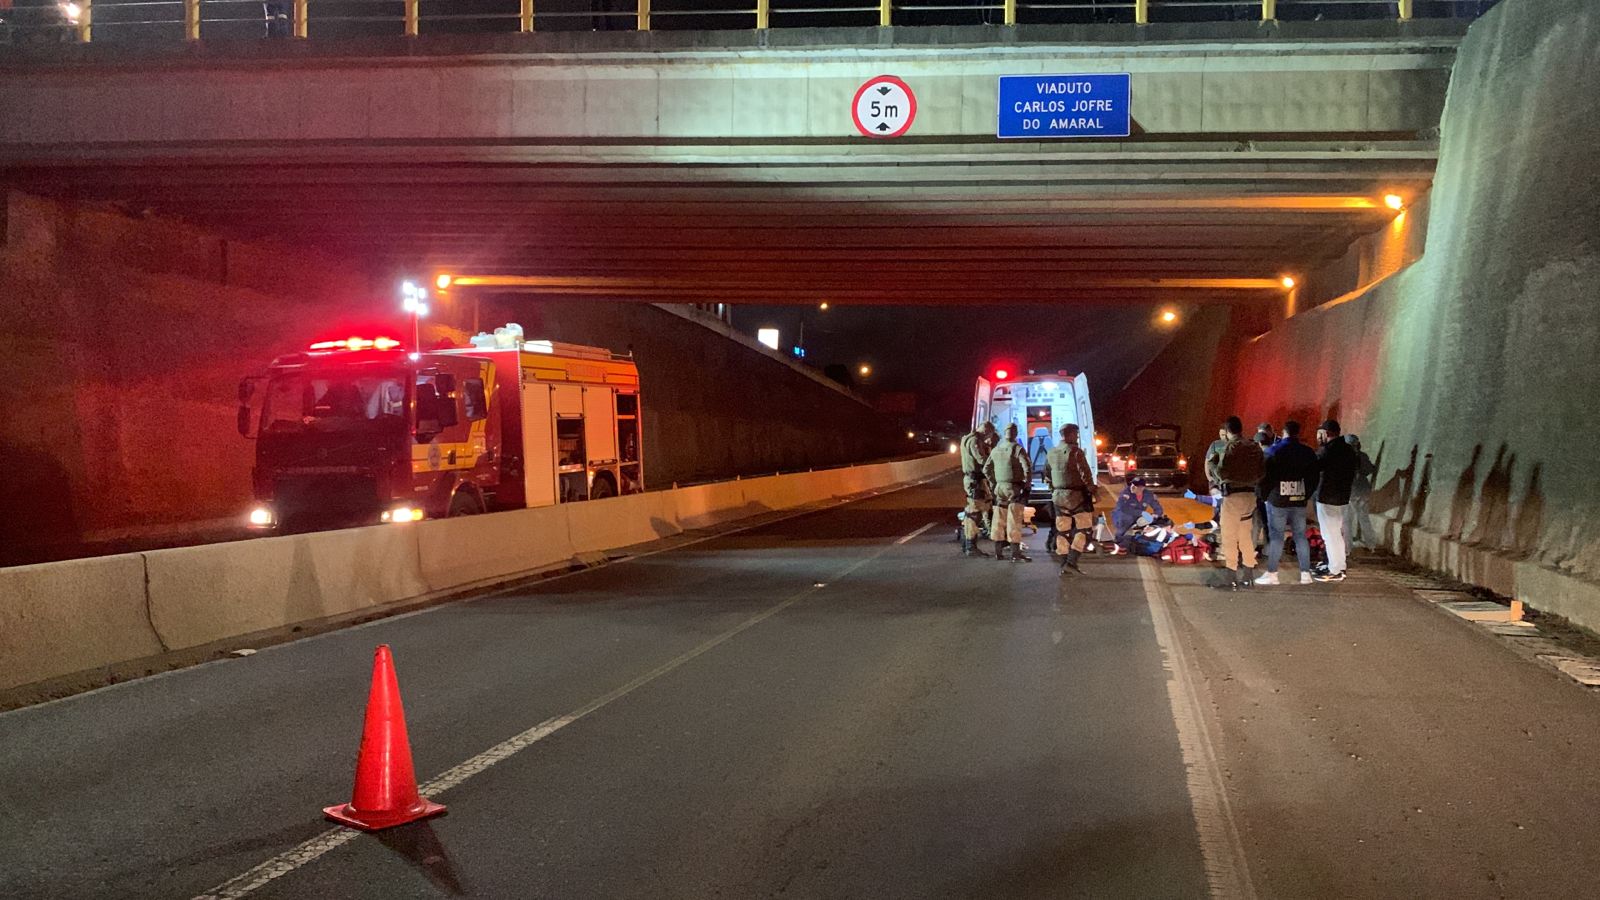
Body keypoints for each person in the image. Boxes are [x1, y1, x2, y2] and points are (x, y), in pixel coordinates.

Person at [1258, 421, 1320, 585]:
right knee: (1300, 536)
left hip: (1277, 500)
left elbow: (1265, 476)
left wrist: (1263, 496)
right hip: (1299, 499)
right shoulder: (1307, 452)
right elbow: (1314, 477)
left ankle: (1272, 574)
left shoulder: (1274, 451)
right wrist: (1305, 494)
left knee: (1276, 536)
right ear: (1298, 433)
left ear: (1284, 432)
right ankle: (1305, 574)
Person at [1216, 416, 1266, 586]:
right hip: (1250, 496)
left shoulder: (1230, 447)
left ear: (1228, 431)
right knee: (1245, 535)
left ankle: (1231, 576)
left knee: (1229, 536)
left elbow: (1223, 472)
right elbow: (1262, 471)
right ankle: (1248, 574)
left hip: (1233, 497)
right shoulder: (1254, 446)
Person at [1045, 423, 1095, 576]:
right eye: (1076, 433)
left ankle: (1063, 564)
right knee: (1085, 529)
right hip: (1076, 496)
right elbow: (1085, 474)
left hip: (1058, 497)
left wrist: (1054, 490)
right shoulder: (1076, 452)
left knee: (1062, 531)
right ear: (1070, 434)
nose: (1077, 436)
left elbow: (1047, 474)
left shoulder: (1051, 452)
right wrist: (1092, 490)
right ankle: (1072, 561)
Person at [1313, 420, 1359, 582]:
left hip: (1328, 497)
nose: (1318, 437)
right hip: (1342, 497)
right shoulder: (1348, 450)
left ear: (1326, 433)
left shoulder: (1328, 450)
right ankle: (1339, 565)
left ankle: (1334, 570)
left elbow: (1316, 468)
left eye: (1320, 434)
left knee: (1330, 535)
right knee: (1336, 534)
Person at [984, 423, 1032, 562]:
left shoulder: (996, 449)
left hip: (999, 488)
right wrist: (1027, 486)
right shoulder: (1017, 449)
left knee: (998, 520)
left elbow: (986, 469)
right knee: (1014, 520)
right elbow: (1027, 468)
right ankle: (1015, 554)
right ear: (1015, 433)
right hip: (1013, 488)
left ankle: (998, 553)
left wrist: (994, 483)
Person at [957, 421, 997, 558]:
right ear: (987, 431)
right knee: (975, 513)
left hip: (973, 480)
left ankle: (967, 543)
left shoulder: (967, 438)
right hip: (975, 480)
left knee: (975, 511)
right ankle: (970, 546)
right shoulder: (975, 440)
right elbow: (981, 459)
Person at [1112, 477, 1165, 552]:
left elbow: (1158, 508)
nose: (1133, 487)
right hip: (1122, 515)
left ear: (1142, 487)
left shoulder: (1148, 495)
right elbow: (1123, 508)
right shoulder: (1126, 493)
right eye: (1132, 485)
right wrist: (1142, 513)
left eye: (1136, 486)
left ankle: (1145, 541)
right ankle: (1118, 541)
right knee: (1126, 519)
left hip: (1139, 516)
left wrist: (1155, 515)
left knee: (1157, 521)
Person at [1345, 434, 1378, 550]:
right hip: (1364, 491)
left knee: (1347, 520)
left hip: (1350, 492)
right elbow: (1370, 469)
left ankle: (1347, 547)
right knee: (1364, 518)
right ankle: (1372, 545)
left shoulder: (1344, 458)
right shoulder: (1363, 456)